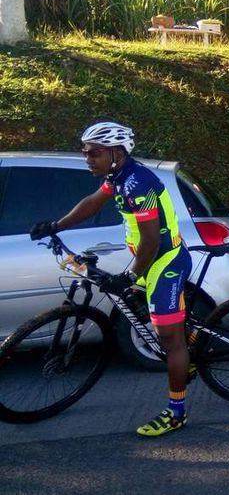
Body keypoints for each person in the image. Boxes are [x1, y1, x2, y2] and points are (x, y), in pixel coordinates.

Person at [30, 121, 193, 437]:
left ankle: (177, 413)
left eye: (94, 153)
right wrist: (57, 225)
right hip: (148, 259)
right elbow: (93, 203)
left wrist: (131, 275)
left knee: (168, 339)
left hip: (164, 261)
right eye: (85, 152)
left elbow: (152, 242)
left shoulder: (137, 184)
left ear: (117, 152)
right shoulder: (116, 176)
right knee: (145, 311)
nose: (88, 158)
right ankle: (187, 352)